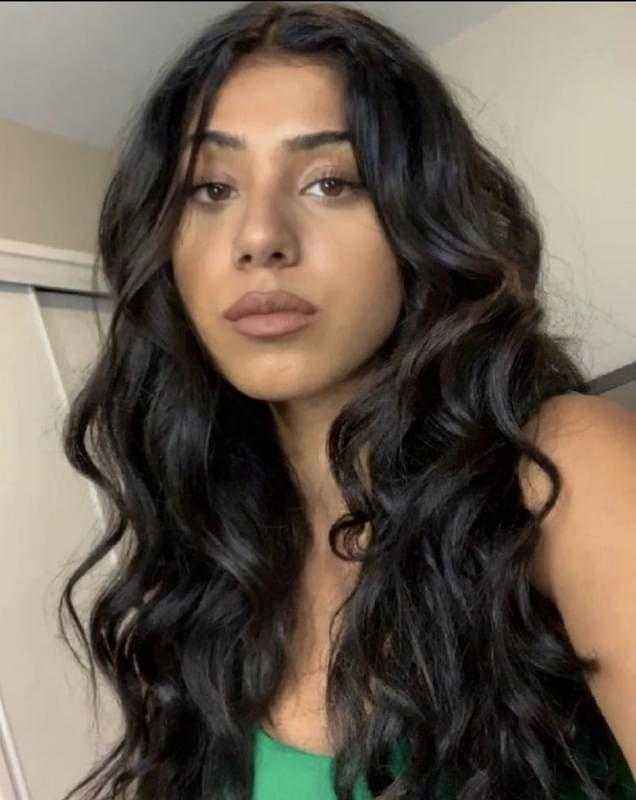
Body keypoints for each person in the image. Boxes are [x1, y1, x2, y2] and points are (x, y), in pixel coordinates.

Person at [57, 2, 636, 799]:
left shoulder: (561, 467)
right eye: (211, 189)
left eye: (331, 182)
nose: (259, 237)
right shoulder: (205, 564)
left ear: (419, 222)